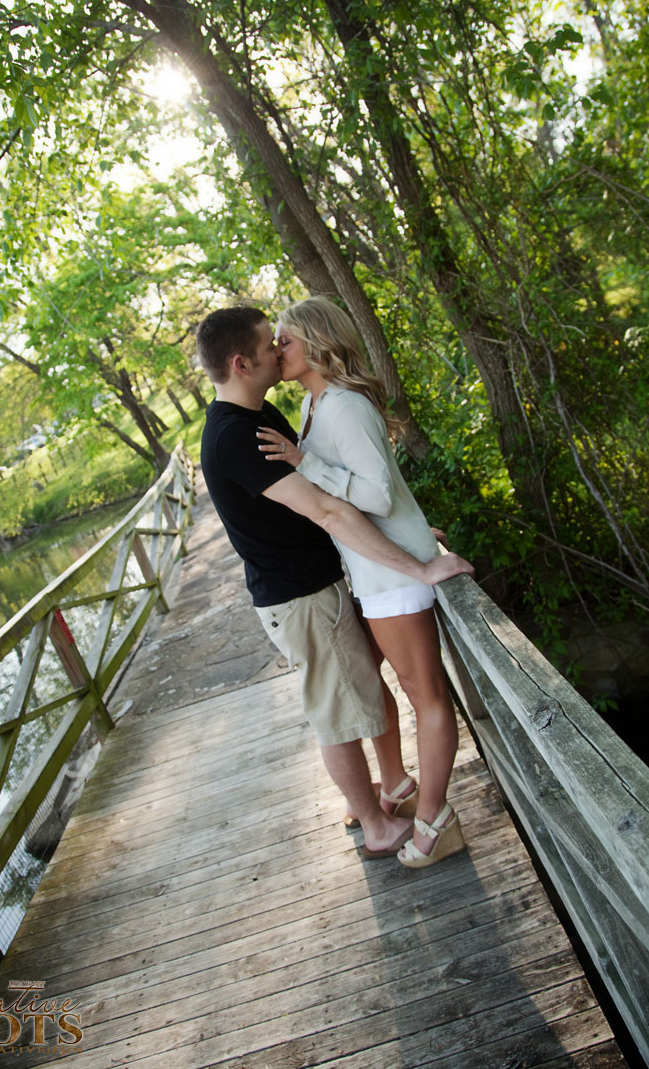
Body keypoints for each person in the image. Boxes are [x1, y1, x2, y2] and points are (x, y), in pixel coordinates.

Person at [196, 304, 473, 861]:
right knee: (341, 709)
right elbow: (330, 506)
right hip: (304, 594)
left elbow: (363, 491)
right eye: (269, 344)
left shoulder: (283, 413)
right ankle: (376, 820)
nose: (278, 350)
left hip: (351, 579)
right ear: (241, 362)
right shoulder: (240, 433)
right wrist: (413, 556)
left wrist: (411, 538)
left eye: (284, 340)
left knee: (373, 695)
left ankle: (403, 800)